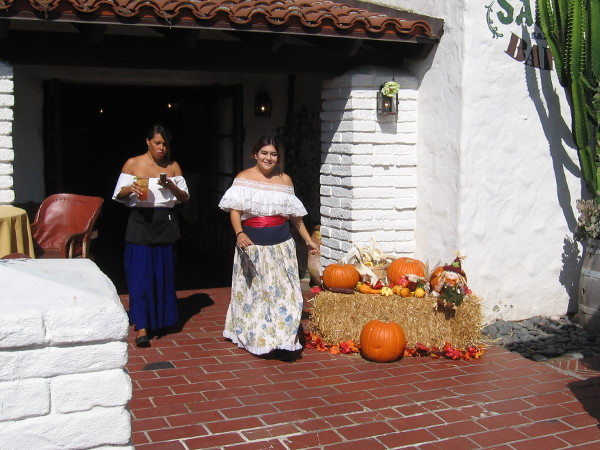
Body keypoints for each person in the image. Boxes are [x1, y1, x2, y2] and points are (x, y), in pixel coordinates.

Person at [218, 135, 319, 360]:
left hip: (281, 246)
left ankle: (284, 339)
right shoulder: (244, 178)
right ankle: (260, 338)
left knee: (287, 293)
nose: (268, 157)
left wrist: (308, 240)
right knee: (258, 295)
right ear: (255, 154)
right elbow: (235, 210)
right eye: (264, 153)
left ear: (278, 158)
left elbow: (295, 216)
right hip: (254, 247)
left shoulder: (285, 181)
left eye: (273, 154)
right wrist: (239, 233)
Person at [112, 124, 190, 348]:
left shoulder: (173, 166)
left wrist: (171, 187)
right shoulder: (133, 163)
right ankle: (142, 326)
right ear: (147, 142)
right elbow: (118, 194)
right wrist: (131, 189)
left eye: (165, 144)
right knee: (140, 274)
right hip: (139, 221)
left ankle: (162, 319)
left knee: (163, 273)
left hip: (164, 222)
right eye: (158, 143)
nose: (162, 148)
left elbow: (184, 197)